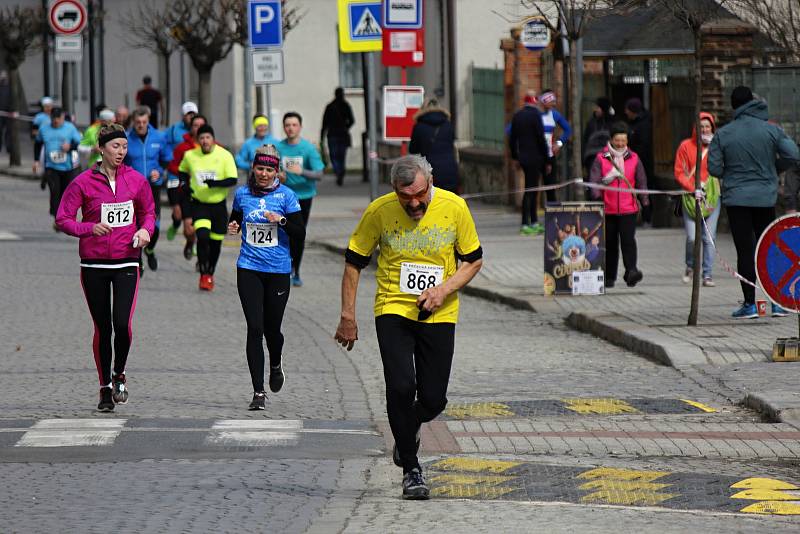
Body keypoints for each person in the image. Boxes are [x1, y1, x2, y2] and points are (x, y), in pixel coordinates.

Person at [334, 154, 483, 500]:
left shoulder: (454, 207)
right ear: (394, 190)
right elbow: (354, 263)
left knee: (433, 399)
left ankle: (408, 427)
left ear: (430, 182)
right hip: (393, 309)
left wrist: (442, 290)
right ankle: (412, 468)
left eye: (420, 194)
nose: (414, 203)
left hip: (439, 312)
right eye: (406, 197)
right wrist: (347, 316)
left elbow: (473, 260)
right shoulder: (379, 211)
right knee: (400, 387)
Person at [55, 122, 155, 412]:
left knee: (123, 324)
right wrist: (89, 228)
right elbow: (63, 219)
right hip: (94, 263)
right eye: (115, 146)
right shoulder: (82, 182)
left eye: (124, 146)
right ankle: (104, 388)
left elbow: (148, 212)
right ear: (102, 149)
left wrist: (146, 231)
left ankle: (119, 373)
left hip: (127, 260)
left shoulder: (136, 180)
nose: (121, 151)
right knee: (103, 326)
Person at [708, 86, 800, 319]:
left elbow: (714, 168)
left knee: (745, 250)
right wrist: (773, 169)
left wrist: (732, 173)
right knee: (770, 248)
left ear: (733, 106)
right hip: (765, 198)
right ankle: (777, 302)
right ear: (753, 102)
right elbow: (793, 155)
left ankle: (750, 303)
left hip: (737, 199)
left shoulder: (724, 134)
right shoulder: (772, 130)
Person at [228, 145, 305, 410]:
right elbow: (236, 218)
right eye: (260, 168)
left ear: (277, 171)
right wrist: (233, 225)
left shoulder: (287, 196)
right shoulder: (242, 194)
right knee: (255, 328)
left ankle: (275, 361)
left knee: (272, 330)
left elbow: (300, 233)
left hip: (278, 271)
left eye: (269, 169)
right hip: (248, 268)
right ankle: (258, 392)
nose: (263, 173)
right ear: (253, 168)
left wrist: (281, 221)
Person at [178, 123, 238, 290]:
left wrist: (215, 183)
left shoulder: (225, 155)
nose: (205, 141)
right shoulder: (190, 155)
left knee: (215, 243)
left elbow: (232, 179)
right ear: (198, 140)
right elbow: (182, 171)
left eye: (208, 137)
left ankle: (210, 272)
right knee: (203, 237)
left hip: (218, 206)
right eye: (202, 138)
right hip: (199, 204)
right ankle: (203, 274)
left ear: (213, 139)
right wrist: (183, 184)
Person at [589, 121, 648, 288]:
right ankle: (609, 276)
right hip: (608, 208)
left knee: (628, 241)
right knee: (610, 243)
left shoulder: (634, 158)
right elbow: (594, 182)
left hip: (628, 208)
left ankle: (631, 272)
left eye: (624, 140)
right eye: (617, 140)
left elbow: (641, 181)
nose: (621, 144)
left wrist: (645, 201)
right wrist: (600, 192)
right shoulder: (601, 158)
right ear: (611, 140)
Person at [278, 111, 325, 287]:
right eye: (287, 125)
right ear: (284, 128)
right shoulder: (279, 147)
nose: (290, 128)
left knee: (297, 234)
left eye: (294, 125)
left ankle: (295, 270)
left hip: (303, 197)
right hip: (283, 196)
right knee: (282, 232)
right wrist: (279, 176)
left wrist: (302, 172)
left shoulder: (307, 149)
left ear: (300, 127)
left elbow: (319, 174)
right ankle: (284, 268)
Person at [674, 112, 721, 287]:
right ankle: (690, 265)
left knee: (709, 237)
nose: (704, 129)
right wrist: (692, 186)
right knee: (692, 238)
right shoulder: (685, 146)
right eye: (701, 127)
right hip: (690, 196)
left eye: (707, 126)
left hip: (713, 196)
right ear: (695, 128)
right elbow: (679, 171)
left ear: (712, 128)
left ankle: (707, 274)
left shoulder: (717, 145)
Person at [125, 106, 173, 273]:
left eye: (144, 122)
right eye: (138, 122)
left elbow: (167, 159)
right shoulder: (126, 139)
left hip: (152, 187)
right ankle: (138, 261)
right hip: (131, 189)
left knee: (155, 227)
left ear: (148, 120)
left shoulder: (159, 137)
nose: (141, 125)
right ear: (133, 121)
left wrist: (158, 171)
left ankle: (150, 250)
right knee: (135, 226)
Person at [168, 114, 208, 260]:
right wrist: (174, 202)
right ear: (191, 128)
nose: (198, 129)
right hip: (187, 193)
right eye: (195, 125)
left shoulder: (215, 148)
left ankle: (203, 257)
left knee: (205, 230)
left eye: (201, 125)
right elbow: (173, 170)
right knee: (189, 229)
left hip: (206, 194)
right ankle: (190, 242)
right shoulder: (182, 148)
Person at [509, 92, 549, 236]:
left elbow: (512, 139)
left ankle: (531, 221)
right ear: (535, 102)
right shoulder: (536, 116)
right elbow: (541, 138)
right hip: (535, 157)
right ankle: (529, 222)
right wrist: (547, 159)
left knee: (529, 189)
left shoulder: (517, 116)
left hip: (523, 157)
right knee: (532, 190)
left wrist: (515, 157)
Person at [35, 107, 82, 229]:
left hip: (68, 167)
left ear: (62, 118)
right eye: (53, 118)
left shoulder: (70, 128)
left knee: (66, 193)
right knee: (54, 192)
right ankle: (57, 218)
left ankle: (64, 217)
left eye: (58, 118)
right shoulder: (44, 128)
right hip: (51, 167)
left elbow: (79, 143)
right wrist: (36, 161)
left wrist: (70, 146)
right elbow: (38, 143)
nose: (56, 121)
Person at [163, 101, 198, 241]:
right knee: (177, 213)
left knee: (191, 216)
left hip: (191, 177)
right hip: (174, 174)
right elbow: (163, 144)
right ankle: (175, 223)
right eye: (188, 114)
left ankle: (193, 243)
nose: (190, 117)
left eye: (193, 114)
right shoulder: (173, 130)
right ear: (183, 116)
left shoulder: (199, 131)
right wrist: (167, 159)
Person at [409, 98, 459, 193]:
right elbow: (452, 142)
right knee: (449, 199)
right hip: (450, 168)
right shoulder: (448, 125)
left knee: (432, 199)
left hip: (429, 169)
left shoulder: (419, 126)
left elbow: (413, 149)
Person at [538, 89, 572, 202]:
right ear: (543, 102)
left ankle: (552, 216)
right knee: (532, 189)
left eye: (554, 101)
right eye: (551, 101)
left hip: (549, 156)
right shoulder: (534, 114)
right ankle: (531, 218)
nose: (553, 104)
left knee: (550, 188)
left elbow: (568, 130)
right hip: (535, 155)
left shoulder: (555, 114)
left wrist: (559, 143)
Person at [625, 98, 654, 226]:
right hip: (635, 161)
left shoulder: (643, 125)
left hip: (642, 162)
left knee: (644, 189)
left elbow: (643, 144)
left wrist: (634, 157)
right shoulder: (634, 124)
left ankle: (647, 217)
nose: (626, 113)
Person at [320, 87, 355, 186]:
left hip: (332, 135)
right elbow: (352, 120)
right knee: (341, 156)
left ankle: (338, 171)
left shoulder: (330, 106)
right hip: (342, 134)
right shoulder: (346, 105)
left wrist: (322, 137)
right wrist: (346, 127)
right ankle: (340, 171)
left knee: (334, 155)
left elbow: (324, 123)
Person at [583, 97, 614, 176]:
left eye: (598, 107)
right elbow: (585, 142)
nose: (595, 109)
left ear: (604, 109)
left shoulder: (612, 123)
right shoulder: (591, 123)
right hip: (592, 159)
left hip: (608, 159)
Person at [31, 97, 54, 171]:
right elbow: (34, 130)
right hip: (42, 142)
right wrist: (35, 136)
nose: (48, 108)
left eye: (49, 106)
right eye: (46, 107)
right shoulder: (39, 117)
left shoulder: (54, 116)